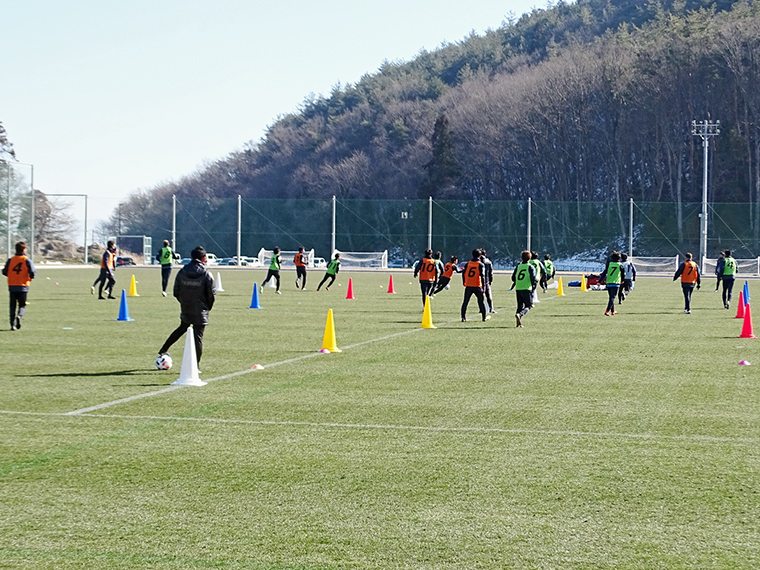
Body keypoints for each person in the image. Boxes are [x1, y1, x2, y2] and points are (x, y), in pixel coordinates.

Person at [158, 246, 215, 367]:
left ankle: (164, 349)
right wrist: (207, 308)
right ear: (204, 259)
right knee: (198, 337)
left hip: (186, 307)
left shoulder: (182, 271)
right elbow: (211, 294)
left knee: (182, 328)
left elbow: (175, 291)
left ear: (191, 257)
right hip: (201, 309)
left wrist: (184, 302)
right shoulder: (206, 273)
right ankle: (195, 366)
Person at [2, 241, 35, 330]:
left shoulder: (11, 260)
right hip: (23, 286)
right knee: (22, 305)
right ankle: (19, 316)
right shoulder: (26, 260)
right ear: (24, 249)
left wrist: (12, 276)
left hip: (12, 285)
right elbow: (32, 272)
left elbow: (4, 272)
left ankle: (12, 324)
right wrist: (30, 277)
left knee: (12, 306)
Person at [460, 249, 489, 322]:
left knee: (465, 302)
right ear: (480, 256)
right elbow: (482, 276)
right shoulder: (480, 264)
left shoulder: (468, 263)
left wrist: (464, 281)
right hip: (477, 285)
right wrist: (484, 286)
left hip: (469, 285)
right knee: (481, 302)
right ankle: (483, 317)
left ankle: (463, 317)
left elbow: (463, 273)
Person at [512, 250, 537, 327]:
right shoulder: (530, 267)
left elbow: (513, 278)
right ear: (530, 258)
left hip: (518, 288)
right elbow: (533, 279)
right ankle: (520, 315)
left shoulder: (518, 266)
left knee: (519, 305)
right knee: (528, 306)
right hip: (527, 288)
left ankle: (518, 323)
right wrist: (533, 286)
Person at [599, 251, 622, 316]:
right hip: (616, 282)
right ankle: (607, 311)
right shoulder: (620, 265)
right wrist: (622, 281)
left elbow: (604, 273)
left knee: (611, 297)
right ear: (619, 258)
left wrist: (599, 281)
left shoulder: (609, 264)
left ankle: (613, 311)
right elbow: (623, 274)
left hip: (609, 282)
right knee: (613, 297)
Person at [481, 249, 496, 313]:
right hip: (486, 281)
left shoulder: (479, 262)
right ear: (485, 254)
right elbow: (491, 272)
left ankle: (481, 309)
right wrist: (491, 280)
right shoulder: (488, 262)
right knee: (488, 296)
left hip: (479, 281)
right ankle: (491, 308)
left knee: (480, 296)